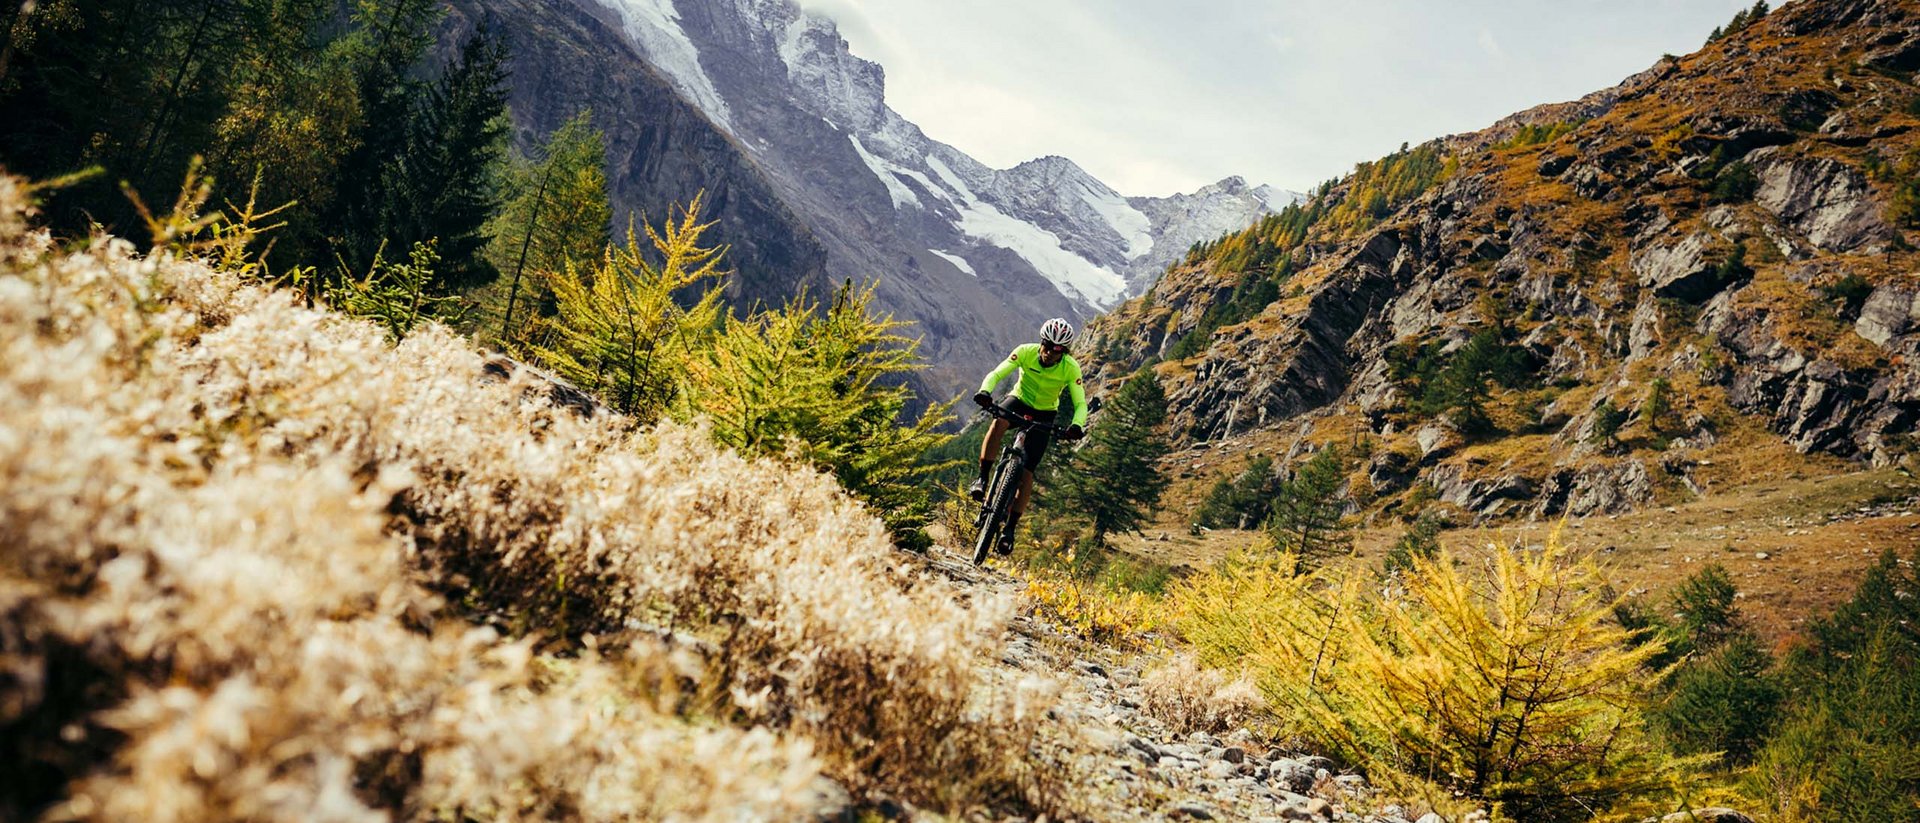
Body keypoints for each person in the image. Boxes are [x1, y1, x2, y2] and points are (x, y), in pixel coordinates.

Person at [970, 317, 1088, 554]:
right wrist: (985, 391)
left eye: (1057, 351)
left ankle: (1010, 530)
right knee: (999, 421)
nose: (1049, 354)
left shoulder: (1071, 367)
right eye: (1046, 347)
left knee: (1027, 472)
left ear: (1063, 352)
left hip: (1045, 412)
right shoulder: (1025, 352)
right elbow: (997, 373)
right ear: (1041, 342)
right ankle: (982, 479)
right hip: (1019, 401)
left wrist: (1076, 425)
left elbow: (1080, 402)